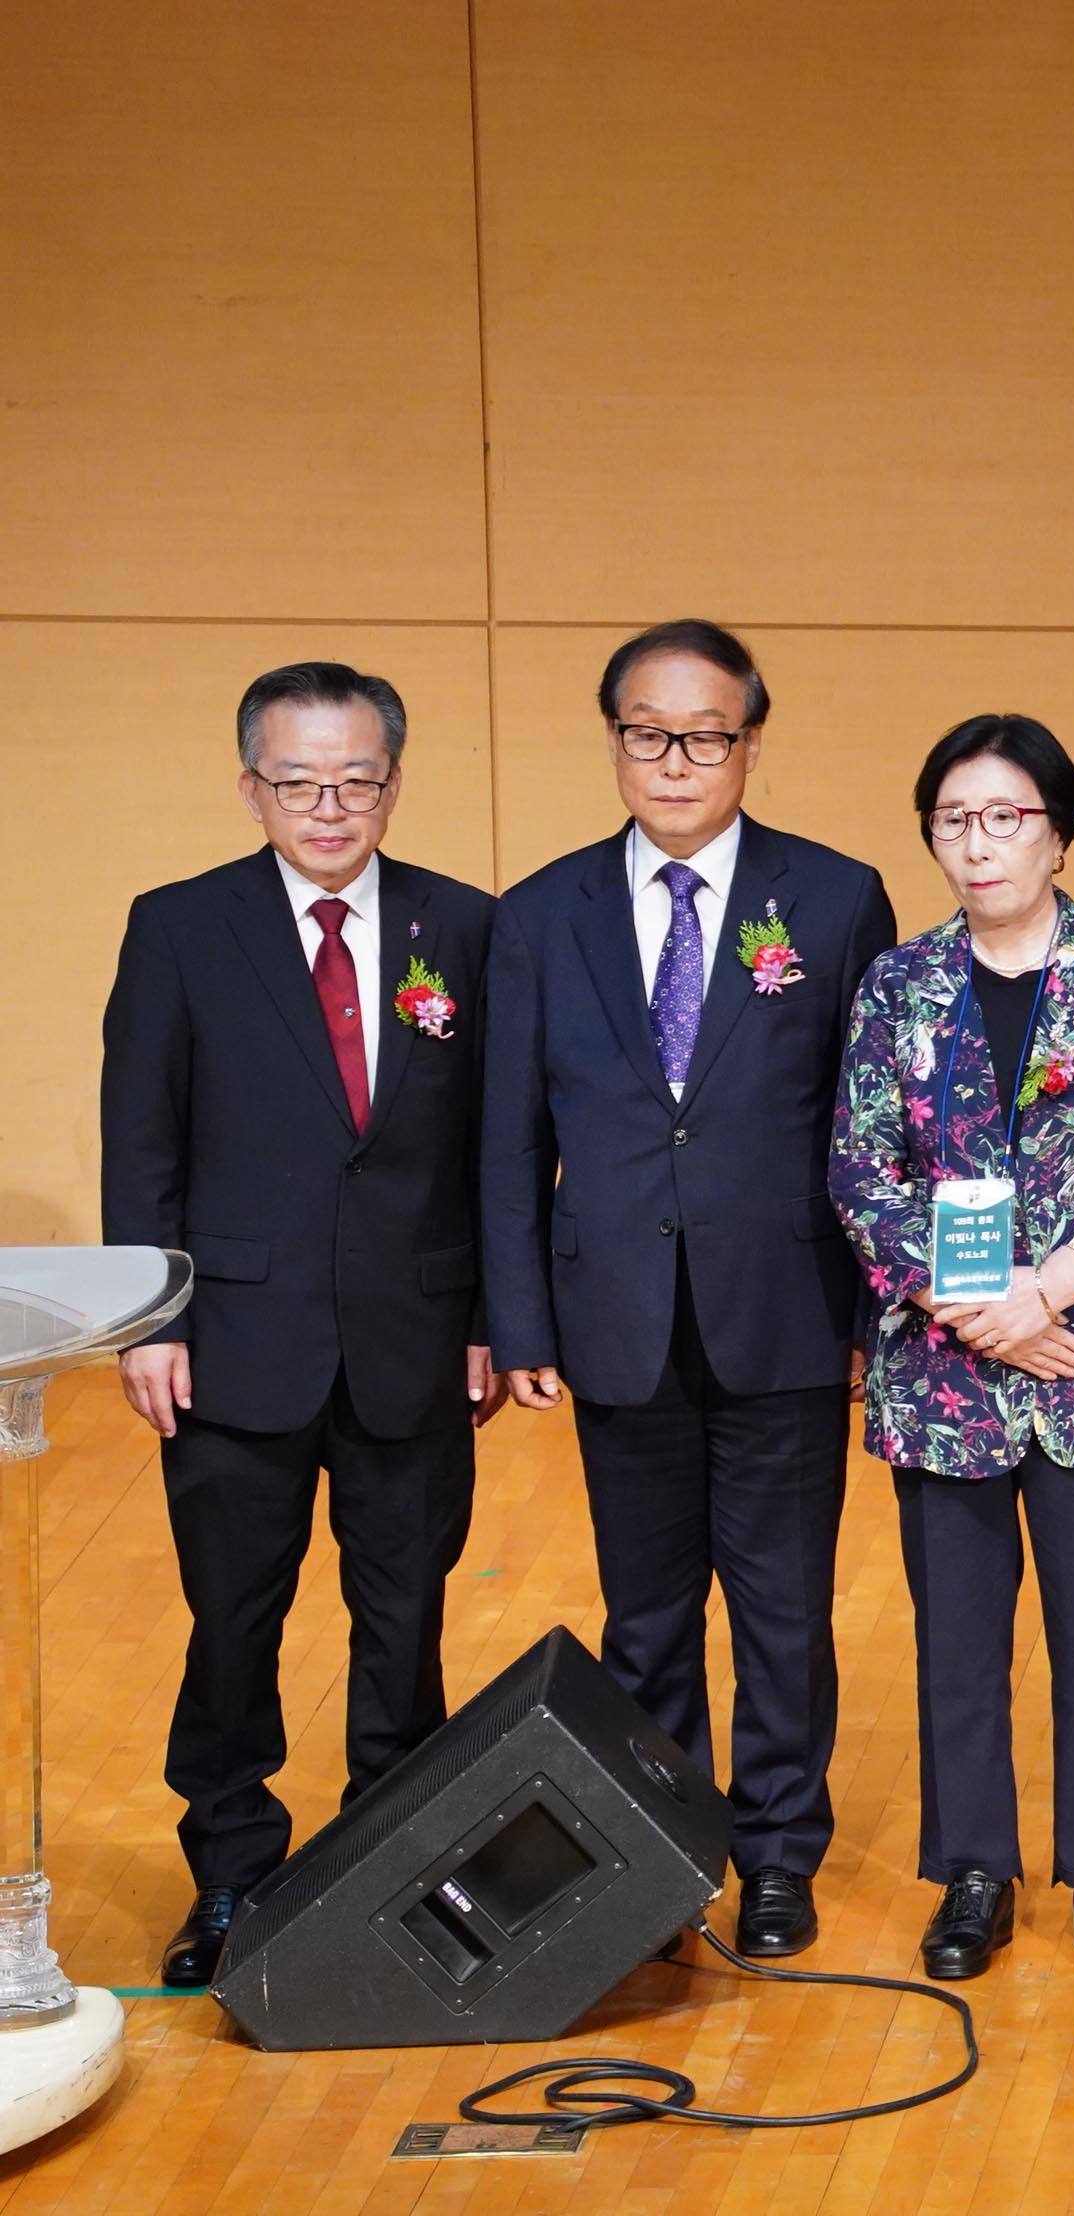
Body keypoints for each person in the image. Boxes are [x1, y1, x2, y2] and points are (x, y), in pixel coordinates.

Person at [480, 620, 898, 1958]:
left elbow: (870, 1126)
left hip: (785, 1316)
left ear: (750, 745)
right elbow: (509, 1139)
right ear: (614, 741)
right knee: (645, 1616)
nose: (674, 760)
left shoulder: (834, 899)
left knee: (783, 1613)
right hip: (615, 1323)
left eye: (704, 735)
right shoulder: (540, 914)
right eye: (647, 734)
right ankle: (661, 1857)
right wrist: (519, 1318)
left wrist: (867, 1314)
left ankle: (778, 1853)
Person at [100, 663, 500, 1989]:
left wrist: (491, 1316)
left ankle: (392, 1871)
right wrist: (150, 1318)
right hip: (231, 1344)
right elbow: (142, 1137)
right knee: (233, 1626)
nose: (329, 805)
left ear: (392, 779)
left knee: (406, 1625)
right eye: (298, 780)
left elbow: (498, 1147)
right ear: (251, 787)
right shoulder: (179, 928)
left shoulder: (466, 924)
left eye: (356, 779)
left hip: (416, 1337)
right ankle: (232, 1876)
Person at [830, 715, 1074, 1983]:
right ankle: (974, 1871)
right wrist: (976, 1303)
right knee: (956, 1641)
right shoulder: (899, 983)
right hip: (945, 1370)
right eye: (954, 819)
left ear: (1059, 830)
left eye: (1007, 817)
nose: (979, 843)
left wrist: (1048, 1293)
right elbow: (861, 1168)